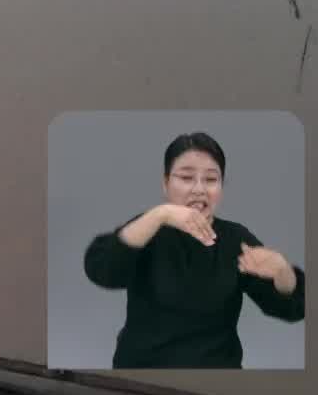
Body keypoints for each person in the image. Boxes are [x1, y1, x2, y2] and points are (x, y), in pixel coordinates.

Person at [83, 132, 305, 368]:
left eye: (211, 180)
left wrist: (282, 271)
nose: (199, 189)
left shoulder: (234, 238)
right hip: (143, 372)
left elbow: (290, 308)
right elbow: (102, 270)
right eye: (186, 177)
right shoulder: (148, 228)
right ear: (166, 182)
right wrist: (160, 214)